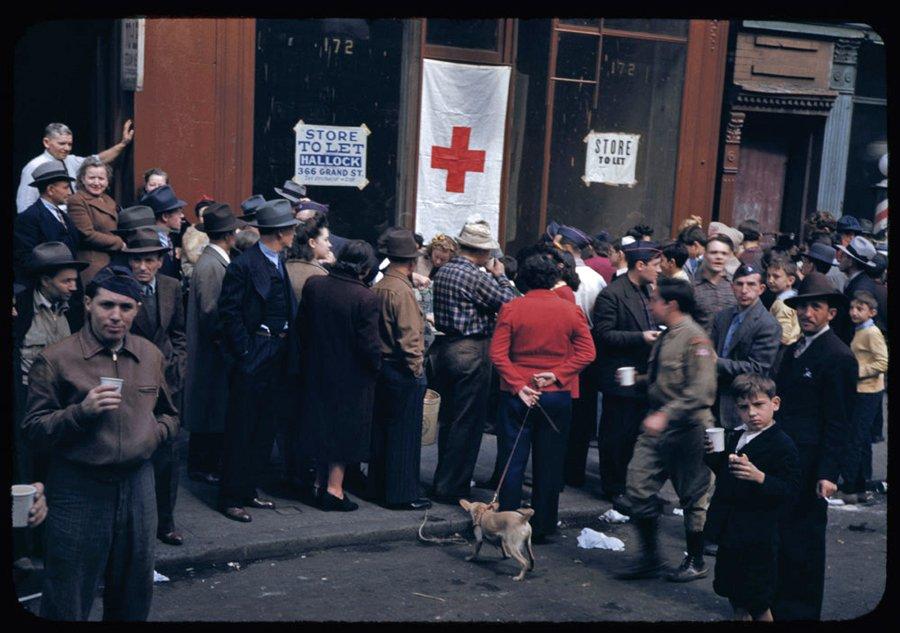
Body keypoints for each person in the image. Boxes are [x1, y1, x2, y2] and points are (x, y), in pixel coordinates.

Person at [22, 266, 179, 621]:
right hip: (79, 489)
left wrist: (153, 435)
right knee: (68, 596)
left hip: (138, 487)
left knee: (133, 595)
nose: (116, 316)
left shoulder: (150, 355)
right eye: (107, 305)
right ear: (88, 304)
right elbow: (33, 429)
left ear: (137, 310)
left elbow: (171, 414)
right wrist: (81, 412)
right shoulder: (57, 359)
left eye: (126, 307)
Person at [616, 277, 717, 582]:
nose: (651, 304)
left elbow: (701, 391)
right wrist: (640, 379)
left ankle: (696, 560)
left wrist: (666, 414)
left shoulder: (695, 339)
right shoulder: (666, 336)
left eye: (655, 300)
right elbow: (668, 379)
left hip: (689, 429)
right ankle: (651, 558)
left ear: (671, 305)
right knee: (637, 486)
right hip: (659, 427)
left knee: (694, 497)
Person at [490, 252, 595, 541]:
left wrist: (517, 384)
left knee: (512, 460)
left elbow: (497, 354)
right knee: (550, 463)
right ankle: (545, 525)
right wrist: (559, 374)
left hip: (517, 395)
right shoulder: (568, 310)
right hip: (556, 395)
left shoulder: (511, 308)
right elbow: (588, 353)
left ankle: (507, 524)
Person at [773, 272, 857, 620]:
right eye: (802, 306)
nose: (807, 313)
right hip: (785, 458)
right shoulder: (793, 350)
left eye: (815, 307)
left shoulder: (838, 357)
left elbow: (839, 422)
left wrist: (828, 472)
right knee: (782, 535)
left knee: (805, 541)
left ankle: (802, 613)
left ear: (831, 313)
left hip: (812, 464)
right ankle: (778, 606)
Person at [216, 199, 298, 522]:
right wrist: (247, 352)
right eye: (291, 228)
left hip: (277, 354)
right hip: (256, 355)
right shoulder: (244, 265)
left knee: (264, 427)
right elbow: (229, 314)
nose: (294, 233)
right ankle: (230, 497)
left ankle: (248, 489)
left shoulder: (278, 259)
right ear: (280, 232)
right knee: (242, 428)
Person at [429, 219, 516, 503]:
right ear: (480, 252)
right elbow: (510, 302)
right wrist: (501, 276)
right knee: (467, 423)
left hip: (445, 349)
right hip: (471, 350)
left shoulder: (444, 270)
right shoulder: (476, 276)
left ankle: (444, 478)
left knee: (451, 419)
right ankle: (452, 486)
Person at [703, 374, 801, 622]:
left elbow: (790, 490)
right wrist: (713, 455)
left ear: (775, 403)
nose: (752, 413)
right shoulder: (735, 436)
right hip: (730, 531)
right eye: (744, 407)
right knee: (734, 594)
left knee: (758, 601)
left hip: (759, 536)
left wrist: (761, 477)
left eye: (759, 405)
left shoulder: (782, 444)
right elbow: (725, 475)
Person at [297, 240, 382, 511]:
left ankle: (319, 484)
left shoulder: (315, 285)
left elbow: (302, 328)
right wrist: (376, 367)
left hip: (316, 368)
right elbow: (369, 344)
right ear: (365, 267)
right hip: (351, 376)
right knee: (343, 433)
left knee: (321, 427)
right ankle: (334, 490)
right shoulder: (365, 297)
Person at [124, 228, 188, 547]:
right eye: (137, 261)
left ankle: (166, 522)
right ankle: (136, 525)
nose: (143, 267)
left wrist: (178, 365)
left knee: (168, 454)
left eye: (149, 260)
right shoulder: (119, 290)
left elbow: (178, 331)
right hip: (133, 382)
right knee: (135, 452)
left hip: (168, 383)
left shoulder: (171, 286)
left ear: (160, 262)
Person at [590, 241, 662, 499]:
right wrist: (641, 337)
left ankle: (633, 486)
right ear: (640, 265)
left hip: (644, 376)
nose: (659, 270)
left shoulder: (647, 290)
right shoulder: (613, 294)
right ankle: (614, 487)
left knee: (636, 436)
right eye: (655, 266)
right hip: (620, 375)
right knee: (616, 434)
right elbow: (604, 334)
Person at [13, 243, 88, 488]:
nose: (73, 287)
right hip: (26, 398)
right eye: (66, 281)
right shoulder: (20, 308)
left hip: (64, 398)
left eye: (74, 280)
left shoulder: (75, 308)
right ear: (45, 280)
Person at [367, 228, 431, 510]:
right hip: (401, 369)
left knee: (382, 432)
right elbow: (409, 338)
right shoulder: (401, 291)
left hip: (382, 367)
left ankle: (378, 488)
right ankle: (402, 494)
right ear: (411, 261)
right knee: (405, 435)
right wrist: (417, 370)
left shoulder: (379, 286)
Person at [183, 204, 239, 486]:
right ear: (229, 235)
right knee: (209, 408)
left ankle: (204, 463)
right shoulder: (211, 266)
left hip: (212, 350)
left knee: (211, 407)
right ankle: (202, 466)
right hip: (211, 351)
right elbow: (210, 311)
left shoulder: (213, 261)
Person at [709, 264, 781, 430]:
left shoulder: (767, 324)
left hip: (745, 402)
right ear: (732, 287)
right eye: (739, 284)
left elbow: (758, 368)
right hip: (714, 398)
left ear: (761, 289)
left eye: (751, 284)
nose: (744, 290)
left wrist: (717, 362)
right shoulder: (723, 316)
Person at [16, 120, 134, 213]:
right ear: (46, 142)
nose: (67, 148)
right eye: (62, 144)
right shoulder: (34, 166)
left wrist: (123, 143)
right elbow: (25, 206)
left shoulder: (71, 160)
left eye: (70, 144)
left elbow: (99, 159)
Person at [839, 290, 887, 504]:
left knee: (855, 439)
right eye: (852, 308)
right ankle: (858, 487)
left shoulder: (871, 332)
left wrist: (857, 371)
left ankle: (850, 488)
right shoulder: (861, 330)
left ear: (872, 312)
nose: (853, 312)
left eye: (860, 309)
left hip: (867, 391)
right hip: (861, 390)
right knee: (859, 438)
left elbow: (882, 362)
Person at [14, 161, 81, 280]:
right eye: (65, 187)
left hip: (70, 285)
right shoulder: (29, 217)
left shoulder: (64, 216)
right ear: (50, 190)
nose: (70, 192)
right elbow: (25, 258)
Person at [66, 157, 124, 284]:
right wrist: (119, 243)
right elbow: (87, 235)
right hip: (93, 263)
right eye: (92, 178)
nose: (97, 183)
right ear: (82, 179)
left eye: (101, 178)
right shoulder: (77, 200)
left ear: (107, 181)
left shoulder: (108, 199)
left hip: (114, 262)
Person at [834, 235, 882, 344]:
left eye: (844, 255)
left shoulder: (861, 288)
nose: (840, 258)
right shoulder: (857, 281)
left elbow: (854, 326)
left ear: (850, 261)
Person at [140, 184, 187, 280]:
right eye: (178, 212)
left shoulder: (169, 238)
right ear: (165, 216)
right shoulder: (149, 243)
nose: (182, 216)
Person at [692, 233, 738, 332]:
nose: (719, 257)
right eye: (714, 252)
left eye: (724, 253)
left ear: (730, 256)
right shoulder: (692, 287)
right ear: (704, 254)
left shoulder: (735, 286)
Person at [285, 210, 331, 299]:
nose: (330, 244)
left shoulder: (283, 266)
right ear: (312, 242)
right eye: (326, 240)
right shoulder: (322, 276)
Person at [766, 256, 800, 347]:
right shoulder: (796, 296)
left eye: (776, 276)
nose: (770, 280)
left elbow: (784, 337)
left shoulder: (782, 304)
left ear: (790, 280)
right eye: (768, 275)